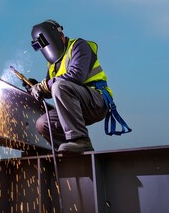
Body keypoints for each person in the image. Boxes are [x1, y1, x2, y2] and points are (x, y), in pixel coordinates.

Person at [26, 19, 113, 153]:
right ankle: (73, 151)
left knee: (59, 86)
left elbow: (76, 76)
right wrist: (36, 87)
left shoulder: (79, 46)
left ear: (56, 36)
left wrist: (44, 85)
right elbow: (51, 89)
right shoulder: (53, 64)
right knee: (43, 124)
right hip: (74, 108)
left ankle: (80, 140)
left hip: (96, 101)